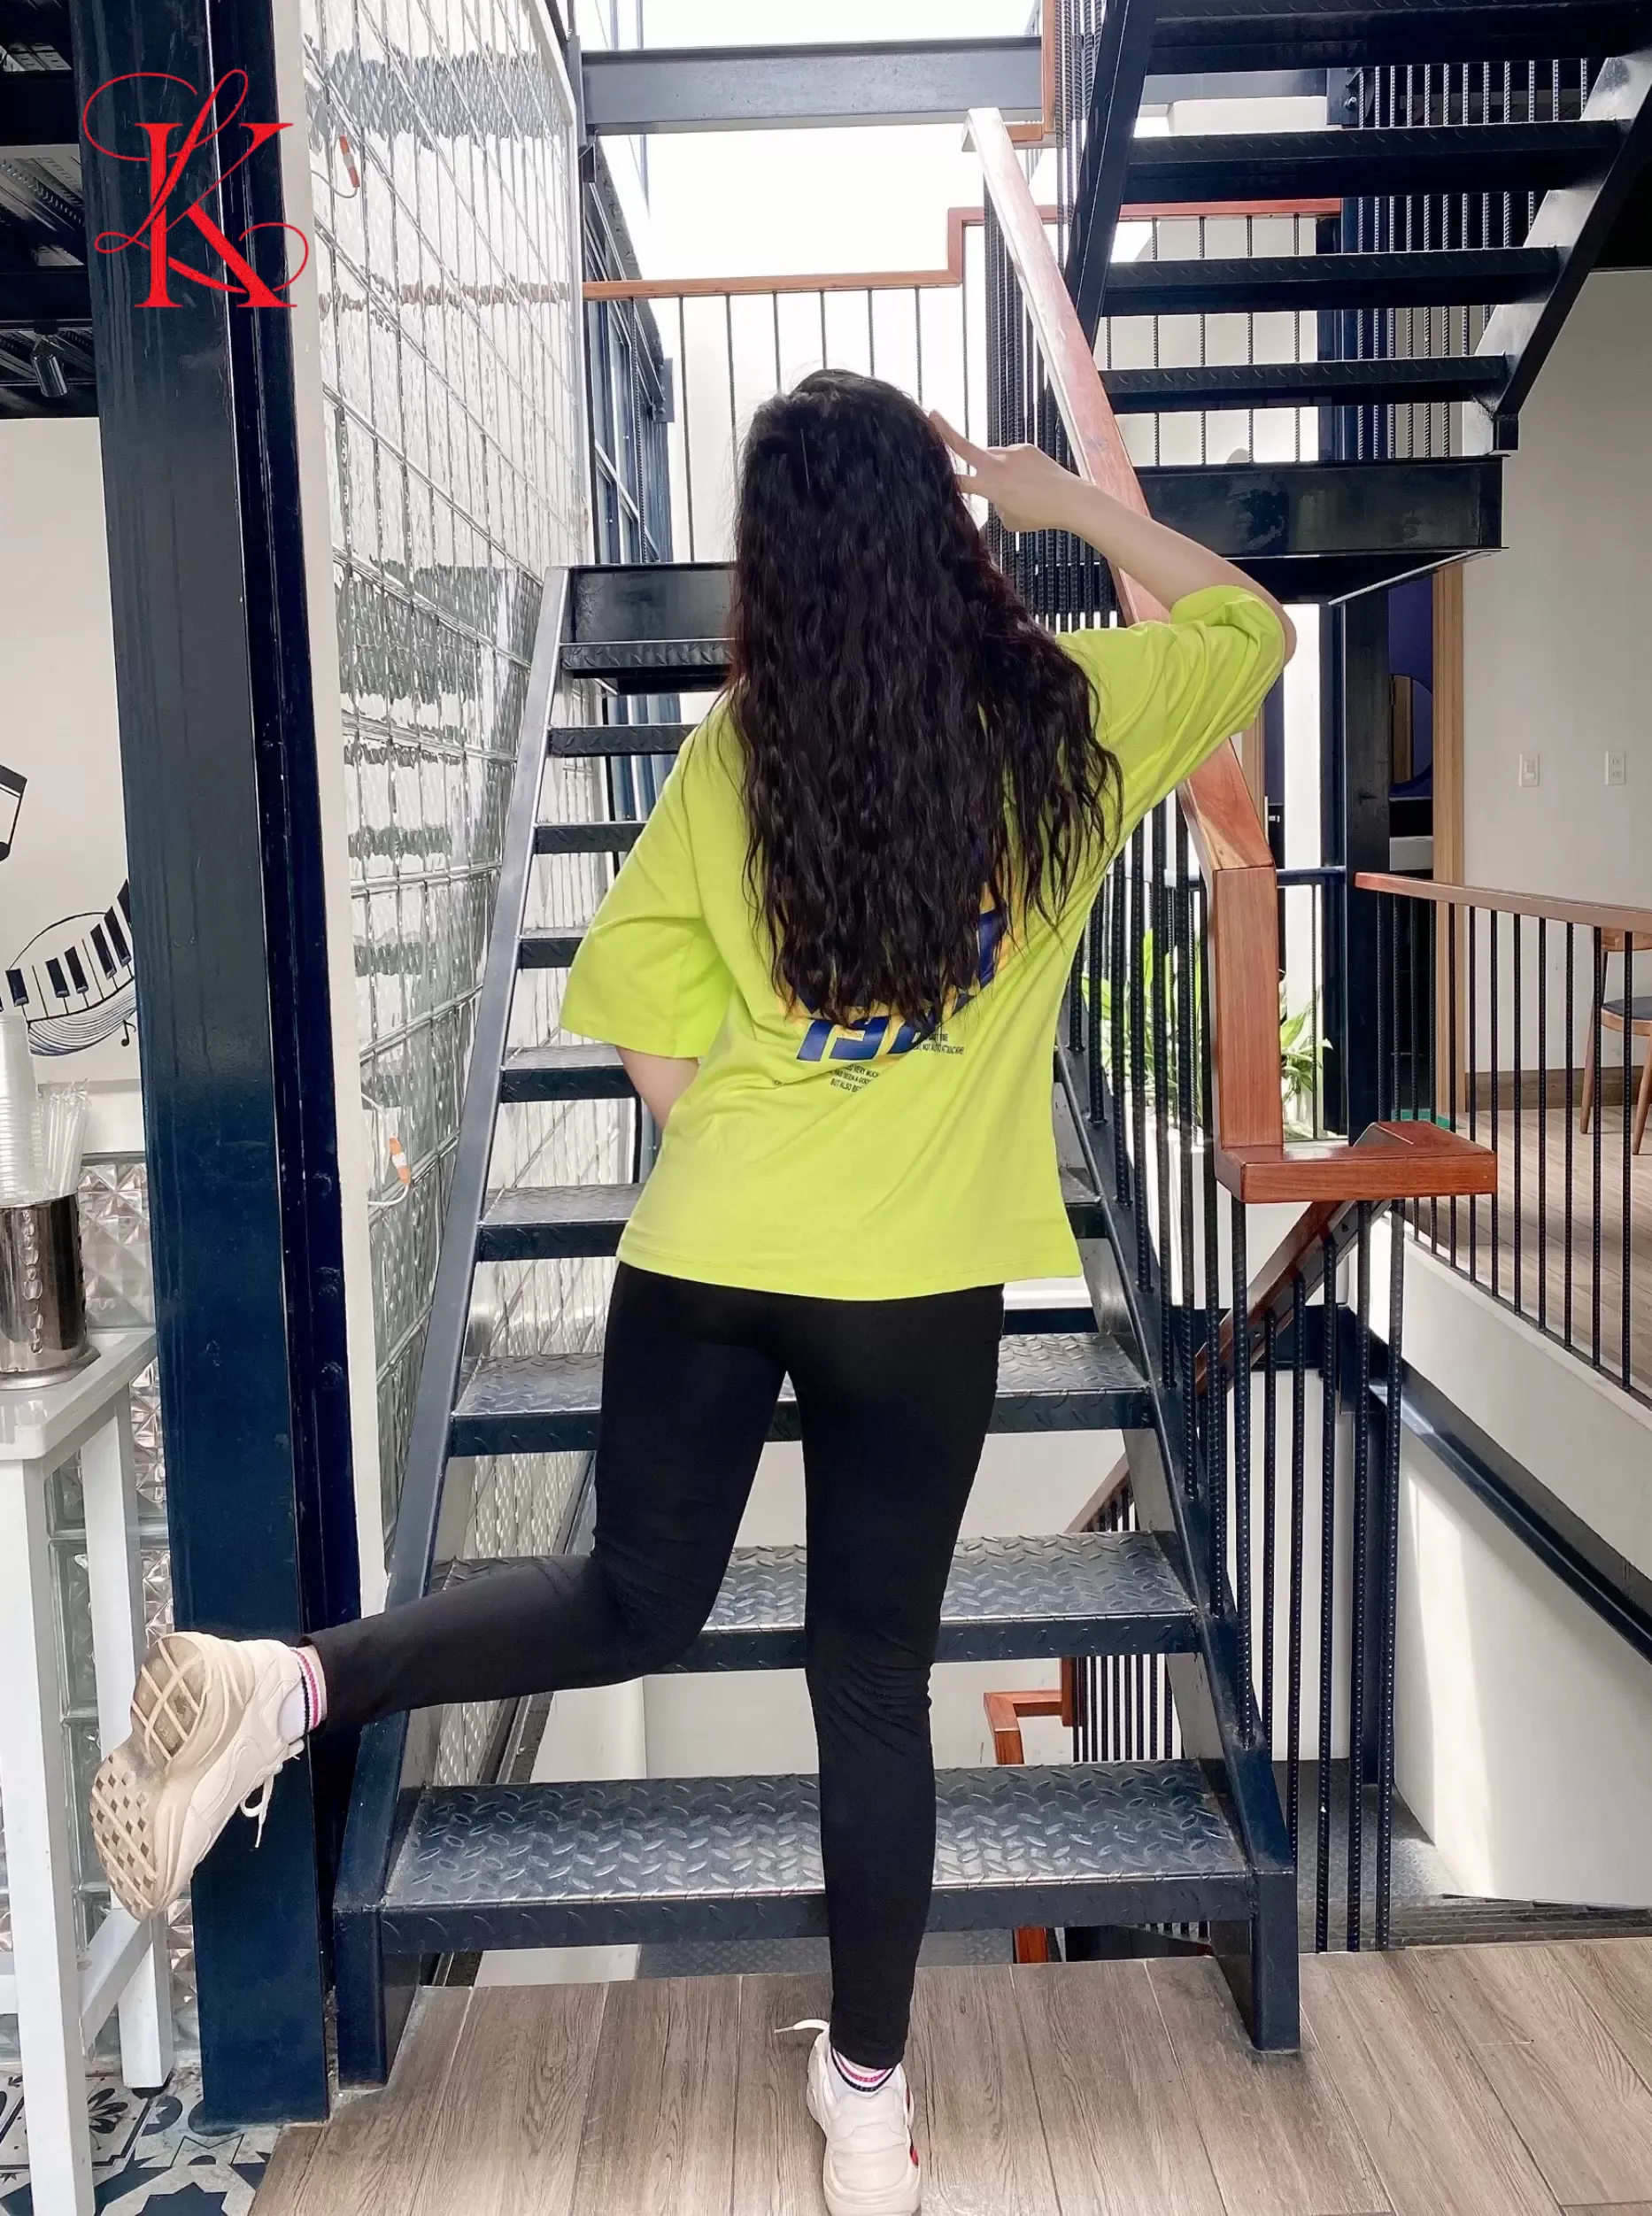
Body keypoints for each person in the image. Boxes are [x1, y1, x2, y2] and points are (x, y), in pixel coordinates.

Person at [91, 371, 1291, 2216]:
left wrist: (744, 1131)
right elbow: (1248, 626)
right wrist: (1058, 500)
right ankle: (870, 2115)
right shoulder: (1071, 717)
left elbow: (638, 1005)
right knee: (870, 1684)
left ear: (774, 562)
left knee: (627, 1599)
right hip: (916, 1291)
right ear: (940, 534)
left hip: (710, 1255)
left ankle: (293, 1681)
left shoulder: (737, 752)